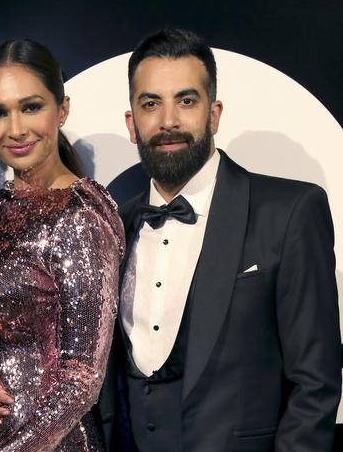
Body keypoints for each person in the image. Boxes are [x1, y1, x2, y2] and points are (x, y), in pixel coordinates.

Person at [99, 28, 341, 451]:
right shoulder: (113, 227)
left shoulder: (289, 211)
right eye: (150, 103)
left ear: (214, 114)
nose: (168, 120)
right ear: (131, 123)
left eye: (186, 101)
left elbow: (316, 383)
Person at [0, 39, 125, 451]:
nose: (16, 129)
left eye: (31, 107)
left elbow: (80, 379)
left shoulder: (81, 216)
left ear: (62, 110)